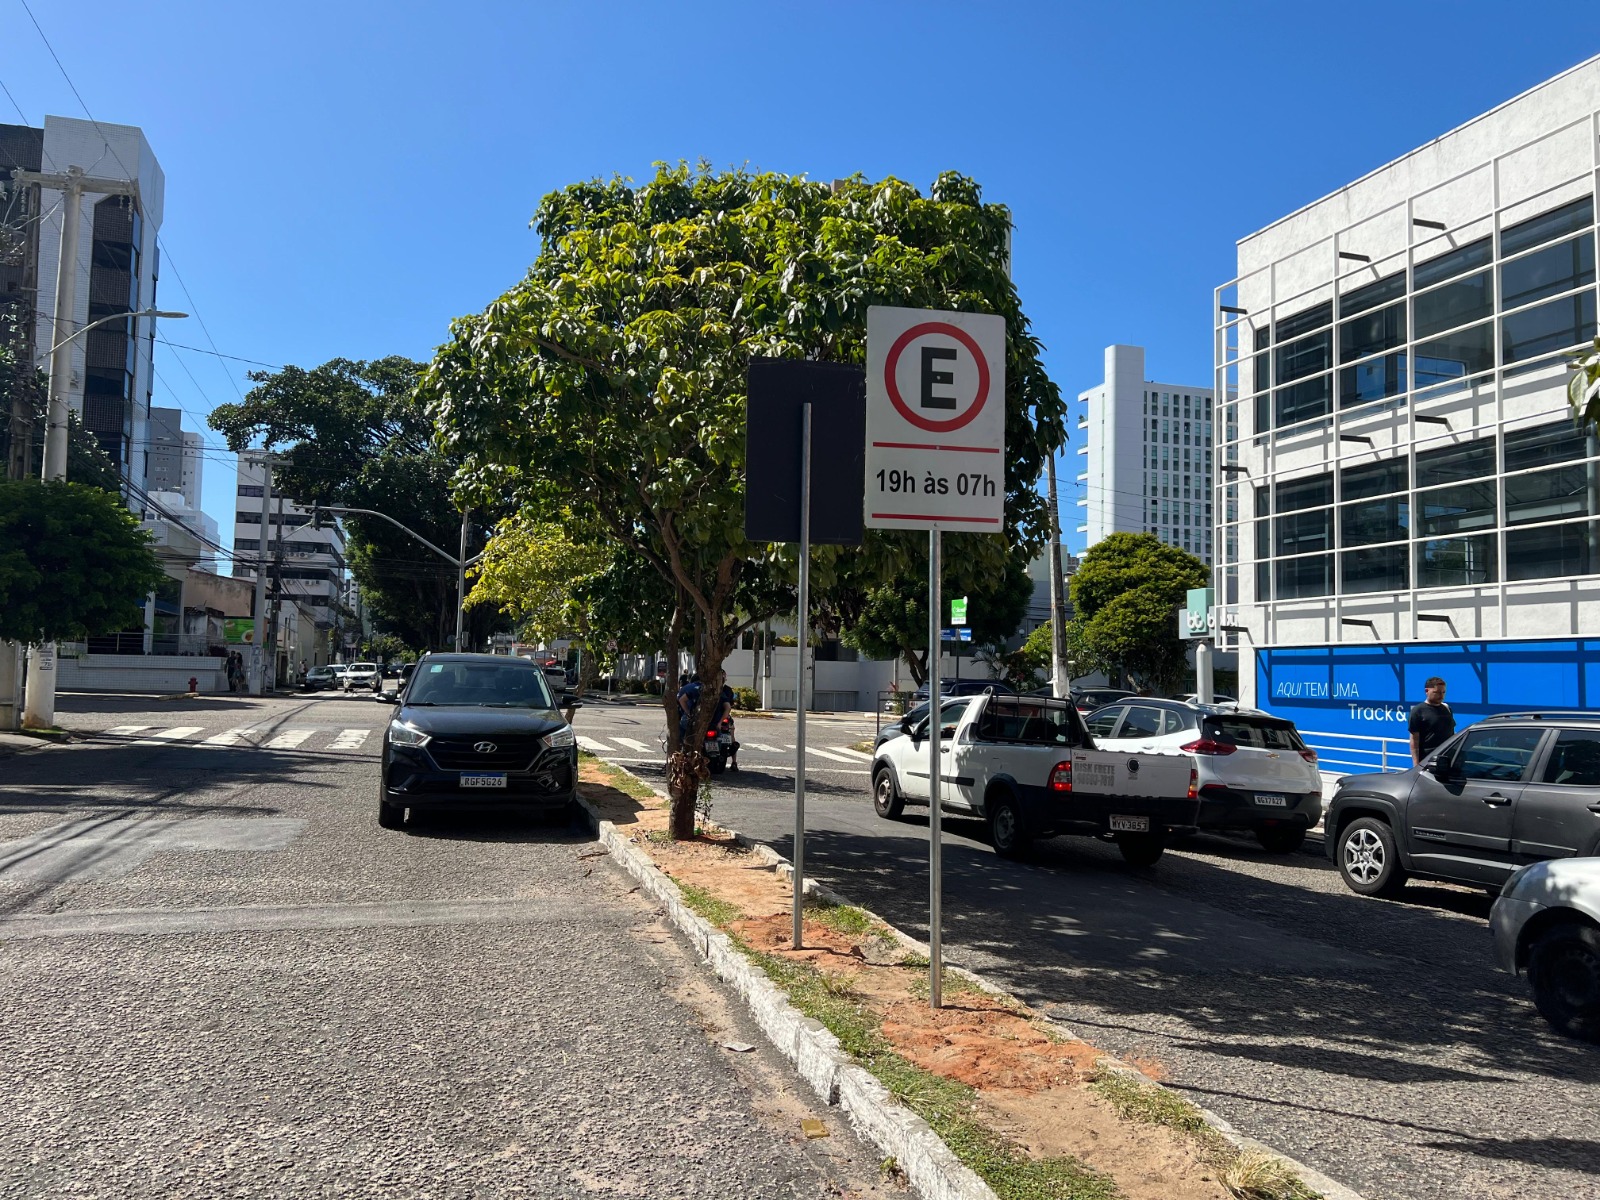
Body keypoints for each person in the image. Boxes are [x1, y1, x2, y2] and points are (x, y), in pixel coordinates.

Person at [1409, 676, 1456, 765]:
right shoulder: (1418, 711)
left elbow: (1452, 732)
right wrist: (1416, 765)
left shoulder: (1447, 708)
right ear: (1427, 691)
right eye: (1437, 692)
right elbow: (1414, 741)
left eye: (1443, 692)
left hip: (1449, 758)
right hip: (1429, 760)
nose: (1441, 696)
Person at [717, 678, 739, 771]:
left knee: (731, 735)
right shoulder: (727, 690)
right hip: (725, 717)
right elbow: (731, 704)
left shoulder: (710, 689)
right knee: (732, 736)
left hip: (716, 718)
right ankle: (734, 762)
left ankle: (734, 762)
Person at [676, 673, 702, 745]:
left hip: (689, 716)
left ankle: (682, 746)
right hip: (709, 717)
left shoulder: (686, 688)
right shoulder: (708, 688)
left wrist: (688, 712)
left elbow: (680, 700)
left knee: (681, 731)